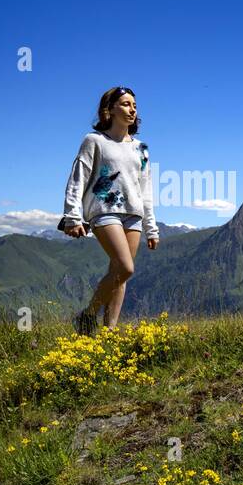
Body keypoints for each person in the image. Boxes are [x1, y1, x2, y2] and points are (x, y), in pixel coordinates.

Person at [59, 86, 159, 335]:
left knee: (119, 273)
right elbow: (78, 177)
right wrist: (72, 216)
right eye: (125, 104)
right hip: (104, 210)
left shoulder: (141, 148)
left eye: (134, 105)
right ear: (110, 109)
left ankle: (109, 335)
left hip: (133, 213)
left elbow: (145, 189)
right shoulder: (94, 141)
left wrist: (151, 227)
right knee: (126, 268)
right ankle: (88, 315)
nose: (132, 109)